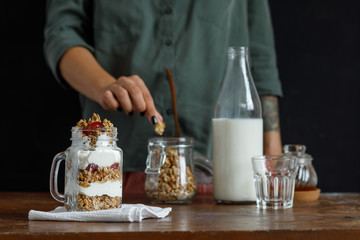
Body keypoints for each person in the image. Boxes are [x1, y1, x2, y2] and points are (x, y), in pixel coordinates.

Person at [44, 0, 283, 193]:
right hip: (115, 169)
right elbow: (61, 33)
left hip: (221, 169)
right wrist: (106, 85)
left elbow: (260, 57)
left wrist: (273, 154)